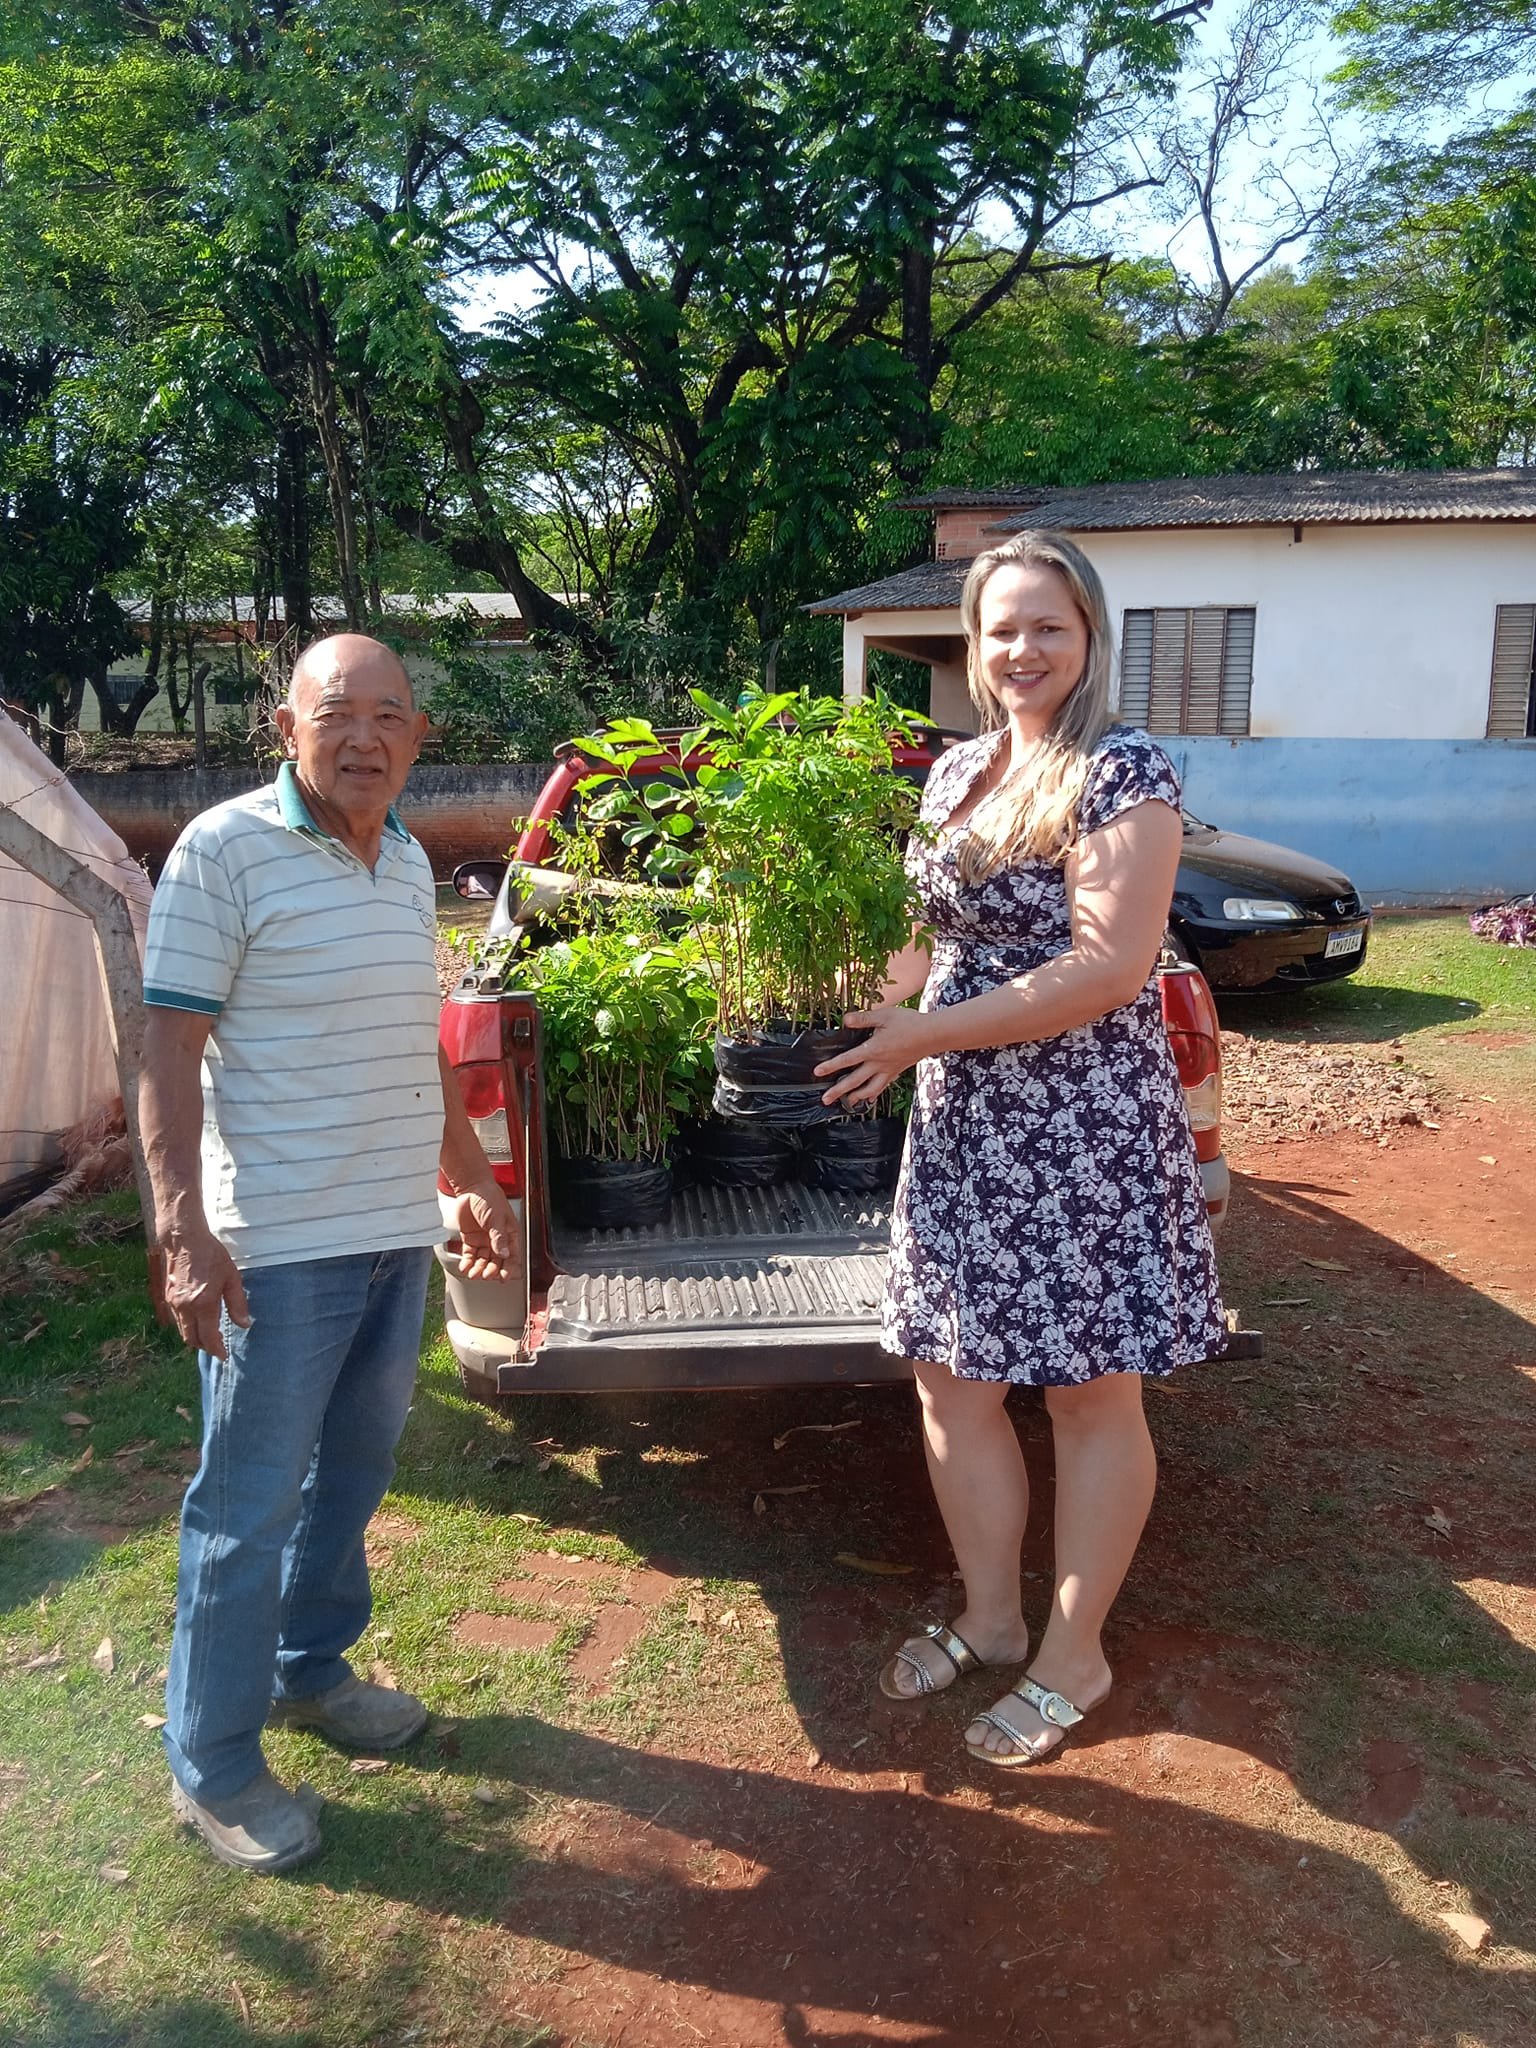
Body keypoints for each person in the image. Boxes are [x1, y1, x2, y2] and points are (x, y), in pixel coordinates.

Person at [815, 531, 1226, 1767]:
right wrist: (856, 1000)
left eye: (1048, 625)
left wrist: (925, 1027)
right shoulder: (959, 773)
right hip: (968, 1120)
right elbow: (922, 934)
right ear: (973, 642)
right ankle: (991, 1618)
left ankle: (1073, 1648)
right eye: (1001, 627)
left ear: (1089, 634)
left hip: (1080, 1123)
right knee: (954, 1377)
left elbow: (1107, 968)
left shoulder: (1123, 771)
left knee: (1090, 1387)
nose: (1022, 649)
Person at [140, 633, 518, 1870]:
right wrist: (182, 1230)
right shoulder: (223, 848)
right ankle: (214, 1759)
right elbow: (167, 1054)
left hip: (387, 1235)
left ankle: (309, 1669)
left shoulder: (406, 856)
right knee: (246, 1507)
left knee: (350, 1478)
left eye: (388, 717)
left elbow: (412, 1037)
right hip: (275, 1247)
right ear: (286, 725)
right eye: (336, 713)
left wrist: (464, 1180)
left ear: (417, 738)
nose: (364, 738)